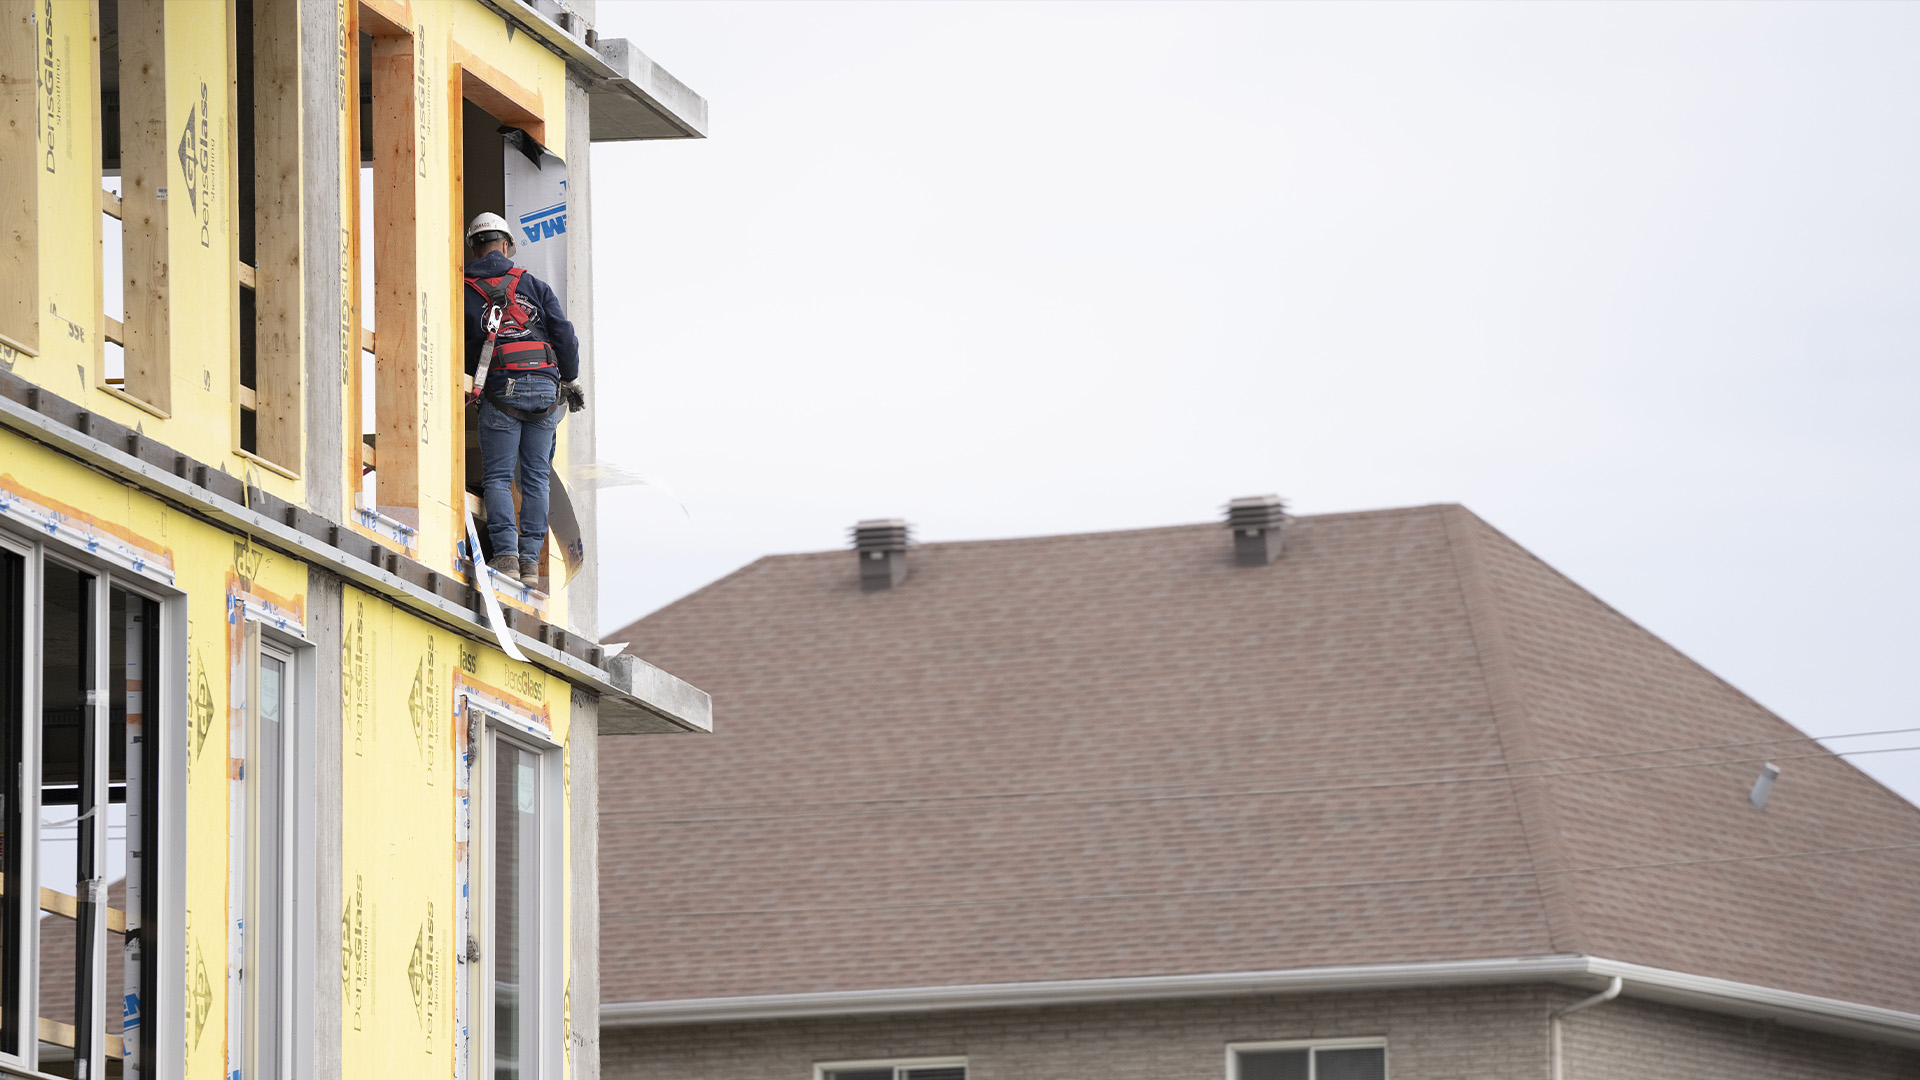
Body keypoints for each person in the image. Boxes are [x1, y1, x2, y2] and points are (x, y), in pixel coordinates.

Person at [463, 212, 585, 588]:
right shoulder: (533, 284)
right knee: (536, 480)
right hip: (547, 389)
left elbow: (465, 341)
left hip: (503, 387)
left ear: (475, 246)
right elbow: (563, 334)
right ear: (506, 245)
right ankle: (530, 563)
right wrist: (570, 376)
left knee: (499, 477)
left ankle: (507, 558)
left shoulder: (464, 289)